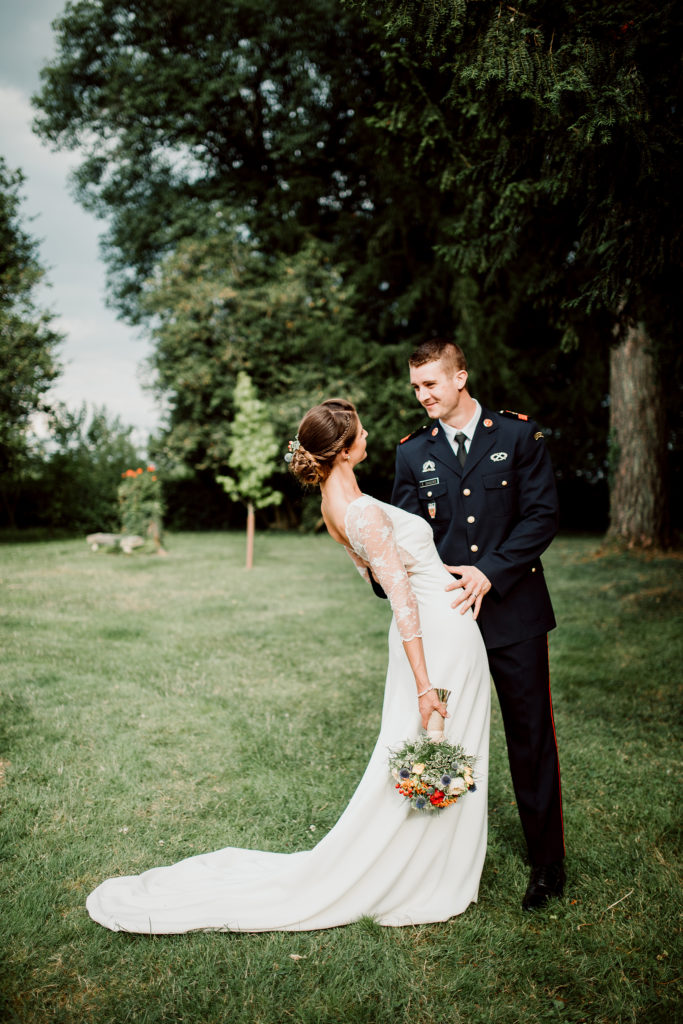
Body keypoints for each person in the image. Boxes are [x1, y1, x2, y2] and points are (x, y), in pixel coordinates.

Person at [85, 399, 491, 934]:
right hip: (435, 638)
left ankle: (427, 860)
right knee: (440, 742)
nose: (368, 436)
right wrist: (424, 685)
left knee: (427, 750)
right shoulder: (363, 512)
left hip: (428, 625)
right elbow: (400, 598)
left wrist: (433, 570)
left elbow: (381, 575)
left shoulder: (333, 508)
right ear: (343, 451)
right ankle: (425, 871)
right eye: (361, 432)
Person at [391, 339, 565, 911]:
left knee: (530, 736)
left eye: (431, 384)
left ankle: (547, 864)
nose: (423, 396)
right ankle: (437, 860)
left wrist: (491, 571)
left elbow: (542, 516)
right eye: (416, 387)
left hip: (515, 611)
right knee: (441, 735)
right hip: (448, 618)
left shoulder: (518, 435)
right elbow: (405, 537)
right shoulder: (412, 453)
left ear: (460, 376)